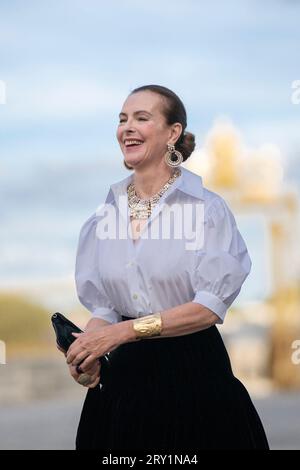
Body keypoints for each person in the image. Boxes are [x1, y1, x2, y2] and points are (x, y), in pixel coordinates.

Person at [63, 84, 269, 450]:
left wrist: (122, 334)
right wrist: (87, 351)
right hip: (121, 385)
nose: (127, 126)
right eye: (122, 119)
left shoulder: (206, 209)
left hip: (192, 375)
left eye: (142, 118)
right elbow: (105, 308)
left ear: (172, 133)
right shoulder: (103, 219)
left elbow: (208, 308)